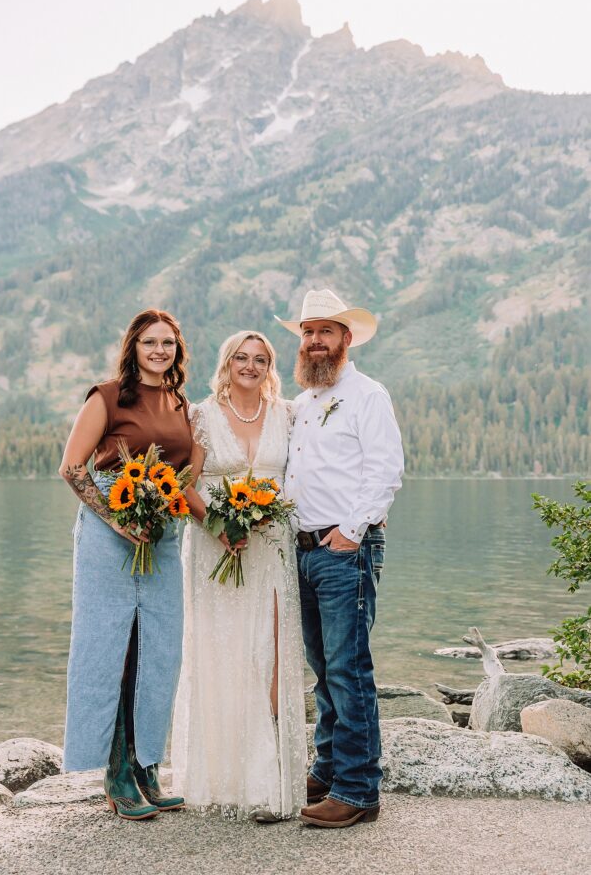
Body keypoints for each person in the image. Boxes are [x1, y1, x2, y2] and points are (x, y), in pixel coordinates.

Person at [60, 308, 203, 820]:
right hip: (108, 534)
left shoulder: (180, 403)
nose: (159, 350)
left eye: (168, 343)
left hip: (162, 534)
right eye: (150, 342)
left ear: (177, 350)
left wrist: (184, 510)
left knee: (158, 650)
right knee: (111, 648)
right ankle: (115, 772)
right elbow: (72, 467)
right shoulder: (106, 397)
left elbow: (186, 471)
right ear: (134, 348)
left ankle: (147, 766)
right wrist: (117, 521)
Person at [276, 289, 404, 829]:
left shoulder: (368, 394)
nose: (314, 341)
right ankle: (328, 768)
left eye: (325, 331)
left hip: (343, 549)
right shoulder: (303, 403)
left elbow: (386, 470)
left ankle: (358, 790)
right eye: (307, 332)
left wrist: (351, 532)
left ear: (346, 339)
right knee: (323, 668)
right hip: (302, 551)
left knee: (349, 670)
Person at [171, 330, 307, 821]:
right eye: (241, 358)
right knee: (220, 651)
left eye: (261, 359)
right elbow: (184, 485)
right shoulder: (202, 417)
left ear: (269, 366)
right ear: (226, 363)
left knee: (270, 652)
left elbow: (299, 477)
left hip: (271, 547)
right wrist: (218, 525)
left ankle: (268, 775)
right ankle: (223, 775)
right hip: (215, 549)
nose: (250, 366)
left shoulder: (287, 415)